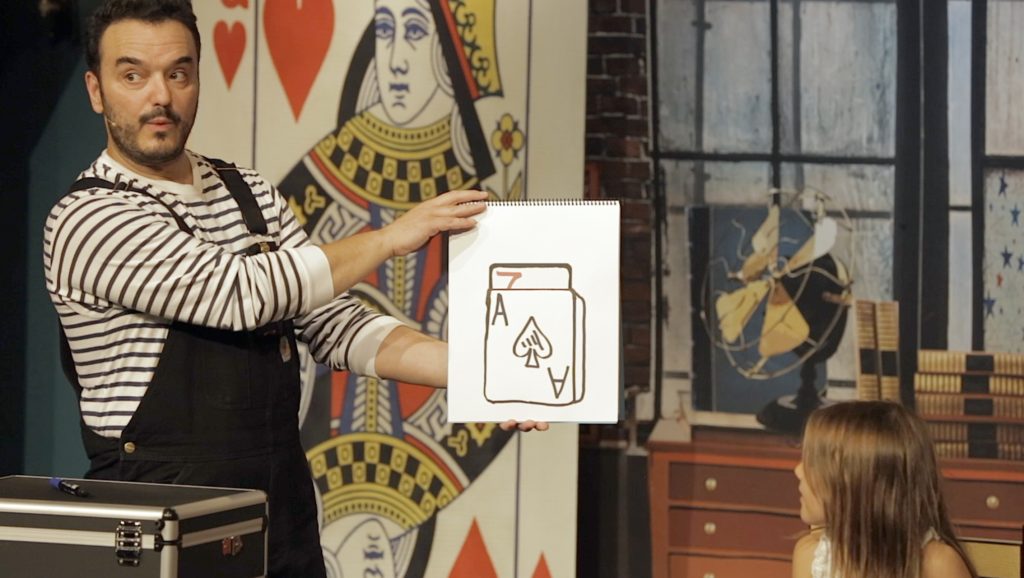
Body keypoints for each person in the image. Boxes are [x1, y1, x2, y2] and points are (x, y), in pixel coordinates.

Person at [43, 1, 544, 576]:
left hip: (279, 519)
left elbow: (336, 325)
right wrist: (389, 238)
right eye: (133, 76)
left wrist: (485, 374)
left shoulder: (249, 192)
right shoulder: (88, 218)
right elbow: (241, 294)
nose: (160, 96)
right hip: (159, 524)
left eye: (178, 73)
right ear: (96, 91)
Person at [791, 401, 975, 578]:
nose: (798, 471)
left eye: (813, 463)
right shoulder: (810, 556)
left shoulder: (936, 563)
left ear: (861, 481)